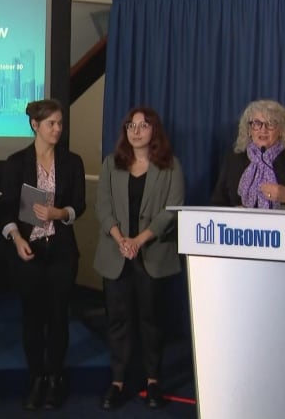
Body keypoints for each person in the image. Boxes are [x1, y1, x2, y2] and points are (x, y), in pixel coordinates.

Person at [92, 107, 185, 410]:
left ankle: (153, 381)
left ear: (154, 131)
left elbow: (172, 211)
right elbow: (103, 207)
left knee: (151, 321)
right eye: (131, 125)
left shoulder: (170, 166)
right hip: (117, 253)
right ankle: (117, 381)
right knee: (118, 320)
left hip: (152, 255)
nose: (136, 130)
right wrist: (121, 240)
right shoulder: (111, 164)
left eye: (143, 126)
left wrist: (139, 240)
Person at [0, 99, 86, 410]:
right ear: (35, 125)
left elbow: (79, 205)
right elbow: (6, 210)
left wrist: (59, 212)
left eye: (60, 123)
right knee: (33, 318)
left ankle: (54, 378)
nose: (58, 129)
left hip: (61, 251)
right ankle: (36, 377)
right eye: (51, 124)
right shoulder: (16, 162)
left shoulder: (72, 162)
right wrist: (17, 238)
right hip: (29, 251)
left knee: (59, 317)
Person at [211, 99, 285, 214]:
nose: (263, 130)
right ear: (249, 130)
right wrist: (233, 213)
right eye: (257, 123)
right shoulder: (233, 160)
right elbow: (216, 205)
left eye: (271, 124)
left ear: (281, 130)